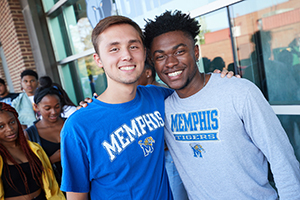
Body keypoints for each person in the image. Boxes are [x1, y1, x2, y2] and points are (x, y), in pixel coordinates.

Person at [144, 10, 300, 199]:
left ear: (195, 51)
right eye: (161, 56)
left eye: (179, 51)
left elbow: (282, 160)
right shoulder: (163, 109)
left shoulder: (238, 92)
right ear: (153, 62)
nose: (171, 63)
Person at [60, 15, 174, 200]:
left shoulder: (159, 97)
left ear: (144, 53)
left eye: (133, 46)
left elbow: (195, 95)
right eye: (114, 49)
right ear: (98, 60)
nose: (127, 55)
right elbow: (76, 196)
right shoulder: (78, 126)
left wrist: (220, 78)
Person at [137, 61, 188, 200]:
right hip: (158, 161)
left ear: (148, 73)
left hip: (169, 157)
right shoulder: (144, 97)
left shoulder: (162, 93)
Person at [0, 102, 65, 199]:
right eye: (1, 126)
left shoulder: (34, 149)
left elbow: (52, 186)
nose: (9, 129)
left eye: (12, 122)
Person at [24, 82, 66, 187]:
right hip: (54, 188)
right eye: (47, 108)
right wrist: (52, 160)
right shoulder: (30, 134)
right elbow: (29, 170)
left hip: (82, 183)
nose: (53, 112)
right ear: (36, 107)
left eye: (57, 106)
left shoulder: (71, 124)